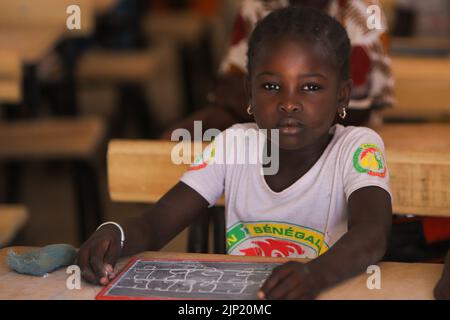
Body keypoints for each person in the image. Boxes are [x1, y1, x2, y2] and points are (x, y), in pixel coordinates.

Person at [77, 6, 392, 299]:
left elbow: (372, 233)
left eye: (310, 87)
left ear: (342, 96)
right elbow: (156, 225)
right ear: (249, 94)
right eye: (270, 86)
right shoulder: (234, 145)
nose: (289, 103)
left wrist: (315, 274)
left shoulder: (357, 147)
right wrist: (114, 234)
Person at [161, 0, 394, 138]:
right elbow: (228, 88)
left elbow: (352, 110)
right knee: (185, 136)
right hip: (262, 126)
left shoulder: (364, 11)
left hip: (342, 136)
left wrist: (267, 95)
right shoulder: (259, 4)